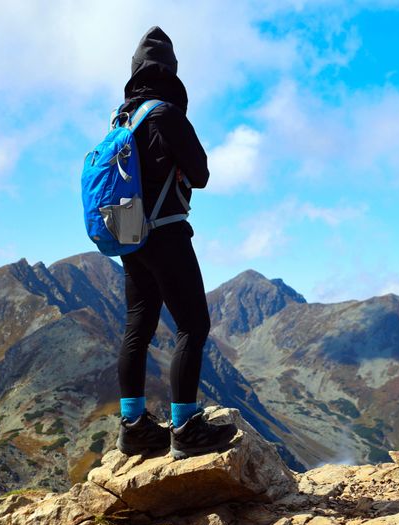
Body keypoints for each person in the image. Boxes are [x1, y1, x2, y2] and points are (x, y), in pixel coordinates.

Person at [115, 26, 236, 459]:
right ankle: (185, 428)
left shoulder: (122, 119)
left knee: (138, 328)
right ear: (171, 72)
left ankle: (134, 428)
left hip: (131, 239)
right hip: (166, 232)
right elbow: (200, 174)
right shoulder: (165, 114)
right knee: (193, 325)